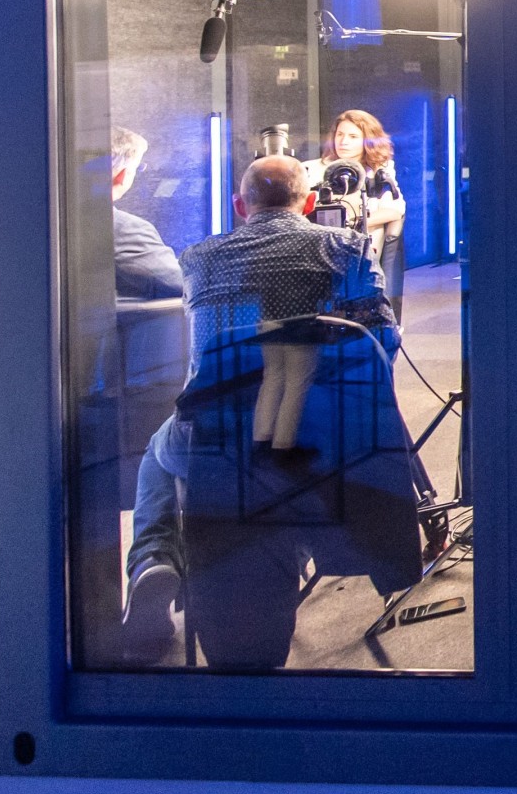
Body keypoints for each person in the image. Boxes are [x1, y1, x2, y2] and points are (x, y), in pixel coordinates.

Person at [118, 155, 416, 668]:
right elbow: (380, 345)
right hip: (320, 436)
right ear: (309, 202)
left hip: (217, 440)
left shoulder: (199, 258)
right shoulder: (345, 247)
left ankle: (153, 558)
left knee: (159, 451)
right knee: (286, 460)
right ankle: (291, 544)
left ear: (240, 206)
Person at [305, 108, 407, 314]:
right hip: (321, 242)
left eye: (353, 136)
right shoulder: (311, 168)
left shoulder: (380, 171)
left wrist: (353, 222)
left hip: (362, 242)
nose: (343, 141)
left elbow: (395, 210)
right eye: (340, 135)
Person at [109, 126, 184, 302]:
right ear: (122, 175)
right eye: (138, 167)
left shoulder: (59, 217)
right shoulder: (123, 229)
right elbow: (182, 284)